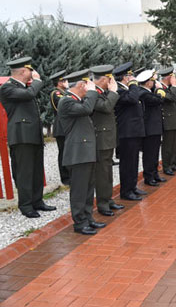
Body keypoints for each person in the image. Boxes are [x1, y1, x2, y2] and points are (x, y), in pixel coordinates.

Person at [0, 57, 56, 218]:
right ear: (23, 71)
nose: (33, 74)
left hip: (33, 135)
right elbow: (29, 94)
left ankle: (38, 201)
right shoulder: (8, 88)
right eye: (30, 71)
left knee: (37, 170)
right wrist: (38, 81)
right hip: (21, 136)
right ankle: (25, 205)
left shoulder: (23, 87)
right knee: (24, 172)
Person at [57, 69, 105, 235]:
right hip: (77, 153)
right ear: (81, 85)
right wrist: (92, 91)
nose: (88, 89)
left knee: (88, 188)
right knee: (79, 190)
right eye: (87, 85)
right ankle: (79, 223)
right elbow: (87, 109)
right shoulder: (67, 101)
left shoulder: (77, 101)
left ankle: (88, 218)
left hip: (86, 152)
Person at [90, 65, 124, 217]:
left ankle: (108, 199)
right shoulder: (93, 93)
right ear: (104, 79)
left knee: (108, 170)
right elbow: (105, 107)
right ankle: (102, 203)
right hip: (101, 138)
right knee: (102, 172)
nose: (112, 81)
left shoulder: (102, 92)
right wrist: (113, 92)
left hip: (108, 137)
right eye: (109, 79)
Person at [114, 62, 146, 201]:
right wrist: (133, 84)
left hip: (134, 131)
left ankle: (132, 187)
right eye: (130, 76)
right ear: (124, 77)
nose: (133, 78)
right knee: (127, 163)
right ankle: (126, 191)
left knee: (134, 161)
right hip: (126, 133)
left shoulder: (127, 89)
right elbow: (133, 98)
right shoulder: (119, 91)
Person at [137, 69, 165, 187]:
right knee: (149, 154)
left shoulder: (147, 91)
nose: (154, 83)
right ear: (148, 82)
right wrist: (159, 88)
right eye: (153, 81)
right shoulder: (143, 93)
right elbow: (158, 99)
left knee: (154, 153)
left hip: (155, 127)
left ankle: (155, 173)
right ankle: (149, 176)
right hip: (150, 128)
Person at [158, 66, 176, 175]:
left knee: (173, 144)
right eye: (172, 76)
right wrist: (173, 85)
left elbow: (175, 96)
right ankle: (166, 166)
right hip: (167, 120)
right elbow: (172, 98)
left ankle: (172, 164)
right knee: (167, 145)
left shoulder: (168, 88)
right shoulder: (160, 89)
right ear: (168, 77)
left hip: (173, 119)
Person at [49, 70, 71, 186]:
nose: (66, 82)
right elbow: (61, 108)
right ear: (59, 82)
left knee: (70, 151)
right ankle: (65, 177)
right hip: (61, 127)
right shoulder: (56, 93)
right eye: (64, 80)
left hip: (68, 126)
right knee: (63, 152)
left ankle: (71, 174)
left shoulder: (65, 92)